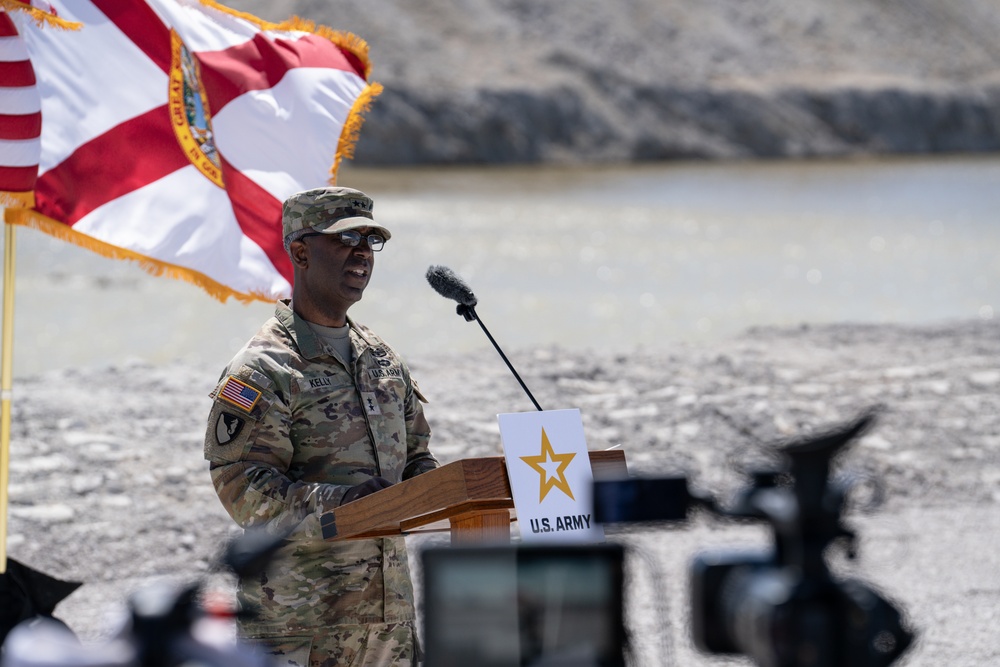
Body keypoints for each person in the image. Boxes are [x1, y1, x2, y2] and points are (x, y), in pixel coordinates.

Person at [203, 186, 439, 666]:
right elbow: (241, 487)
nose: (361, 254)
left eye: (369, 242)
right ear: (300, 251)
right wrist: (344, 505)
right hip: (300, 622)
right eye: (345, 239)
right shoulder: (264, 368)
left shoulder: (382, 358)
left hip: (385, 620)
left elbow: (417, 456)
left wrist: (435, 489)